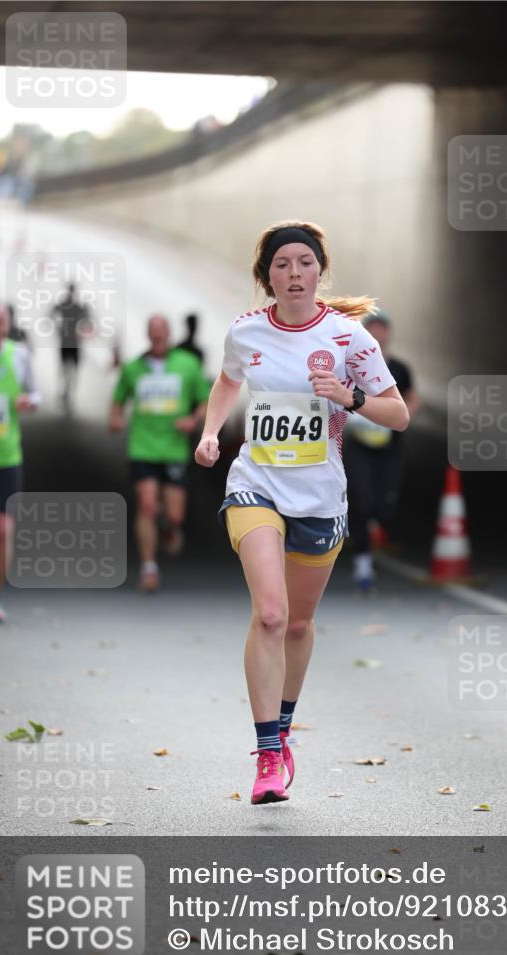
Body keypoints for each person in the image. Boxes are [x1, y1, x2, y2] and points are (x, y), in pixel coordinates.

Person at [194, 221, 409, 805]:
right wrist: (211, 432)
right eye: (282, 264)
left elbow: (398, 414)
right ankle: (267, 755)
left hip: (319, 496)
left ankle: (284, 730)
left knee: (296, 624)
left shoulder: (348, 338)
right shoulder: (246, 331)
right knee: (270, 613)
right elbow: (226, 382)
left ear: (320, 271)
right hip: (256, 484)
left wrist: (348, 397)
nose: (294, 274)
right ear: (267, 275)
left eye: (305, 263)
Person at [109, 315, 211, 592]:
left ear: (168, 333)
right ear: (148, 334)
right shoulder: (133, 368)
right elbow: (118, 400)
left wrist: (193, 420)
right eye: (152, 332)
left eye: (161, 331)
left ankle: (168, 525)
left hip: (174, 449)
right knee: (146, 505)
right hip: (142, 447)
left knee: (175, 515)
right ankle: (149, 568)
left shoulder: (188, 365)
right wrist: (115, 418)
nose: (157, 336)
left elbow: (206, 400)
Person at [343, 310, 421, 591]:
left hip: (389, 449)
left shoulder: (399, 368)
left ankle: (376, 524)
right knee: (362, 502)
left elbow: (412, 399)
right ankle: (363, 562)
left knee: (385, 508)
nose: (377, 333)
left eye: (381, 328)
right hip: (358, 447)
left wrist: (400, 417)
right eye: (372, 328)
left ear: (388, 333)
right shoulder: (349, 366)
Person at [0, 302, 41, 622]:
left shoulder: (19, 356)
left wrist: (29, 401)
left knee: (3, 530)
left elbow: (37, 394)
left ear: (6, 325)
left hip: (6, 459)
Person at [48, 283, 93, 407]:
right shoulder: (76, 306)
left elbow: (50, 314)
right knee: (69, 368)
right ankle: (66, 391)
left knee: (66, 368)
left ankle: (66, 391)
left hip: (69, 341)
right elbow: (88, 320)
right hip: (71, 342)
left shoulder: (67, 305)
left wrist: (57, 328)